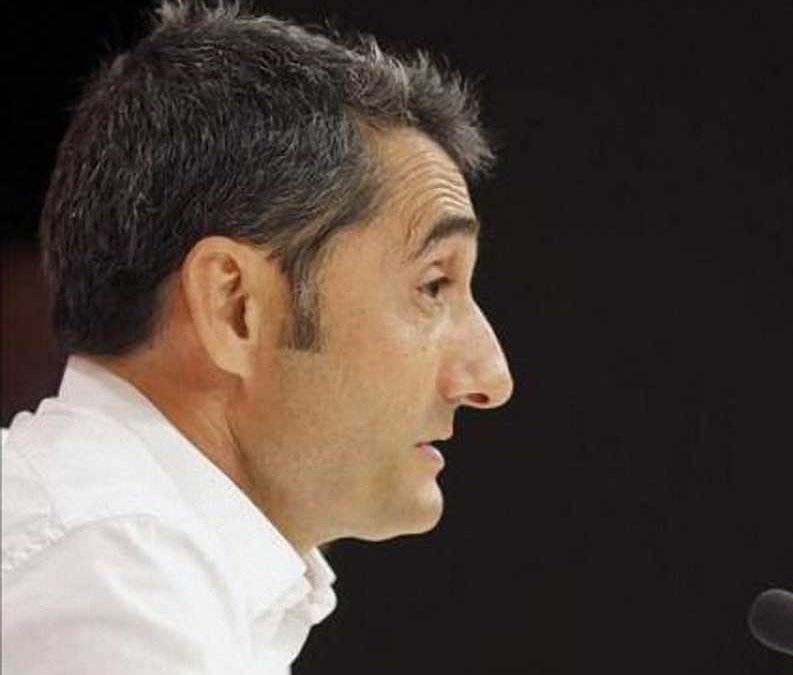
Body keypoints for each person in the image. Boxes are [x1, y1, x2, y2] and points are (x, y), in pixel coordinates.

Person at [0, 2, 514, 673]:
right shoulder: (109, 580)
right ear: (235, 306)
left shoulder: (128, 562)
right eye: (433, 285)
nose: (490, 377)